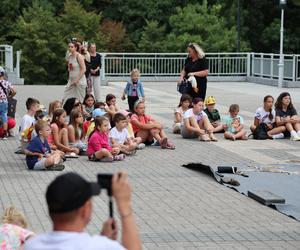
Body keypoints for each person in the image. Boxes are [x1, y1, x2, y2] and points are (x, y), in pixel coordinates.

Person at [24, 171, 142, 250]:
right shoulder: (101, 247)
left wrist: (103, 239)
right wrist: (125, 207)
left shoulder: (32, 245)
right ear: (85, 209)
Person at [0, 66, 16, 139]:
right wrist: (10, 96)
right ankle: (5, 134)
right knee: (4, 116)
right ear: (3, 74)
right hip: (4, 102)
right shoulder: (7, 83)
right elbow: (14, 91)